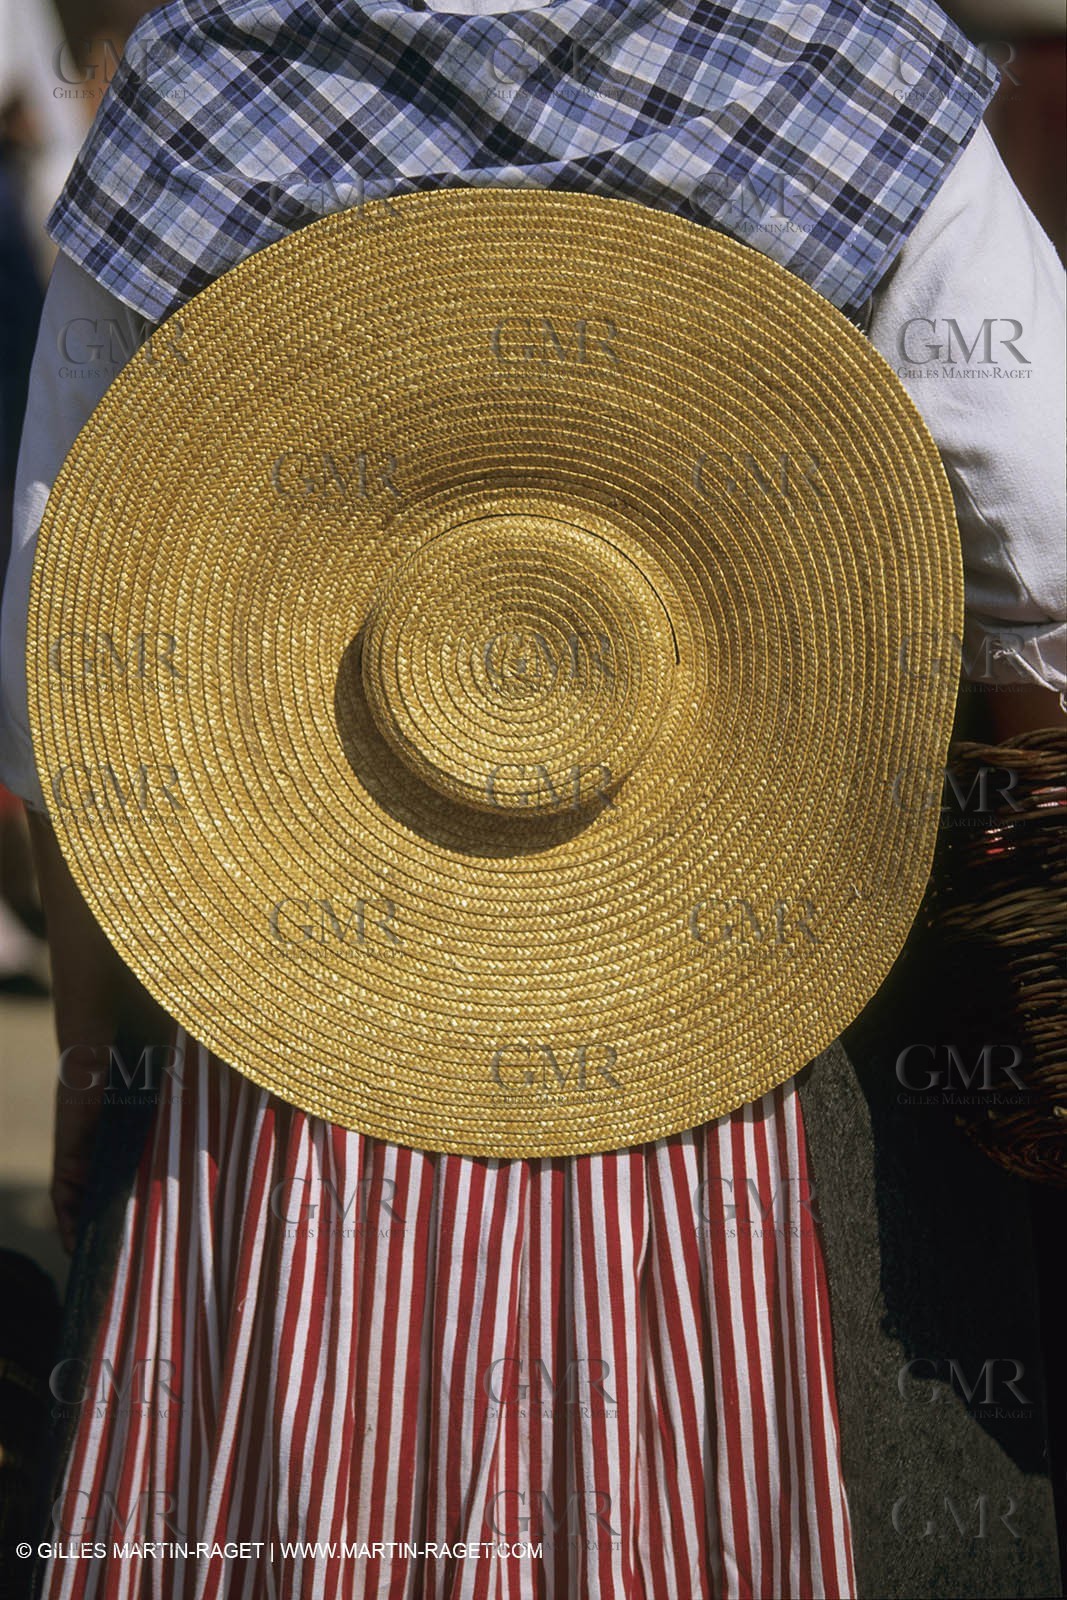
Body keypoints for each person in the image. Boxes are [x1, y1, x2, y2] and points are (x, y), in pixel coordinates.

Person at [0, 2, 1063, 1596]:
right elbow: (1043, 536)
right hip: (750, 980)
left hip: (280, 1012)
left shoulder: (213, 72)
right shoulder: (840, 59)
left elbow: (59, 635)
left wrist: (95, 1045)